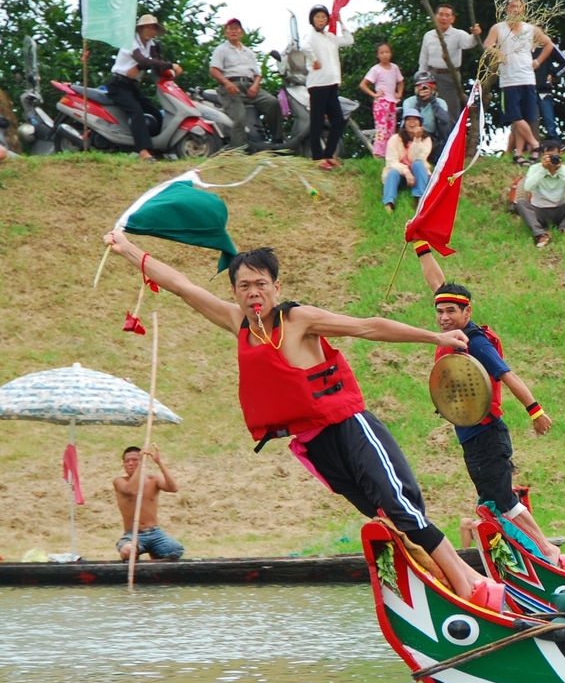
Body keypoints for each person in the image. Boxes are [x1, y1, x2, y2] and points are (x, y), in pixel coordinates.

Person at [101, 231, 502, 608]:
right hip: (312, 443)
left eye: (261, 284)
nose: (253, 293)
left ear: (276, 287)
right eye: (244, 286)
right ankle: (465, 579)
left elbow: (367, 327)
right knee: (383, 515)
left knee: (400, 505)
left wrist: (435, 337)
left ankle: (469, 586)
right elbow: (180, 285)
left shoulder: (298, 319)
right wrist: (127, 249)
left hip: (349, 425)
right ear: (235, 293)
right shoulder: (238, 323)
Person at [419, 256, 561, 564]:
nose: (443, 317)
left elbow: (507, 375)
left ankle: (548, 552)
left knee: (502, 503)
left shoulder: (476, 343)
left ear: (467, 312)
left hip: (486, 435)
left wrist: (535, 411)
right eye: (439, 311)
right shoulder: (451, 330)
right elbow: (436, 283)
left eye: (450, 311)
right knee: (488, 503)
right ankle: (519, 556)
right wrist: (421, 245)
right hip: (471, 438)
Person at [482, 0, 553, 165]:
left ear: (523, 11)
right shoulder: (498, 28)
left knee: (526, 116)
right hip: (509, 79)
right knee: (514, 115)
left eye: (518, 7)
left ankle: (519, 153)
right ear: (506, 10)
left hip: (527, 77)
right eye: (512, 6)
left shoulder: (530, 29)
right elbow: (487, 45)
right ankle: (535, 144)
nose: (515, 10)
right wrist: (497, 52)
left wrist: (537, 61)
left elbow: (548, 44)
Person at [106, 14, 181, 162]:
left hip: (132, 85)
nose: (151, 31)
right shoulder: (130, 42)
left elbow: (155, 60)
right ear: (140, 28)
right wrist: (171, 65)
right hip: (119, 85)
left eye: (153, 28)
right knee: (136, 112)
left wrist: (167, 70)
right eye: (148, 27)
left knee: (156, 113)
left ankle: (158, 149)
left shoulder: (150, 44)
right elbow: (143, 60)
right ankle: (143, 152)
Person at [209, 18, 283, 151]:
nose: (233, 31)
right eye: (230, 28)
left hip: (249, 85)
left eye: (236, 28)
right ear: (226, 32)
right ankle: (237, 152)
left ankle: (278, 142)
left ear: (241, 32)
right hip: (231, 86)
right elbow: (213, 70)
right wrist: (226, 83)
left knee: (273, 103)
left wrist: (255, 86)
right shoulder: (221, 50)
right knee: (239, 117)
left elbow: (257, 74)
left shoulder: (248, 52)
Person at [301, 5, 354, 169]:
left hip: (332, 84)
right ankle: (317, 157)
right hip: (318, 84)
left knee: (338, 120)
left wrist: (340, 22)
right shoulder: (310, 36)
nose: (320, 20)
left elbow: (349, 40)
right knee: (317, 121)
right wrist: (314, 59)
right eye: (317, 17)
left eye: (323, 17)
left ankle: (328, 154)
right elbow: (304, 47)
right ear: (312, 20)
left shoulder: (330, 37)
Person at [113, 444, 184, 561]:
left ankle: (156, 558)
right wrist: (141, 465)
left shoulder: (153, 480)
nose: (131, 463)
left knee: (175, 549)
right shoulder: (119, 481)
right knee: (127, 552)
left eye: (135, 460)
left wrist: (159, 462)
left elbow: (174, 487)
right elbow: (131, 490)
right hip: (133, 534)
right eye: (127, 461)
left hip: (155, 533)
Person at [418, 3, 482, 125]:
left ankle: (452, 140)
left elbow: (468, 43)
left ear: (452, 19)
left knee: (450, 111)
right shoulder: (428, 35)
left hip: (450, 77)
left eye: (447, 15)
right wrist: (421, 80)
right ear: (435, 16)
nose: (444, 18)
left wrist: (475, 34)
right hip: (431, 76)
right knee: (429, 111)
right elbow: (423, 60)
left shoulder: (458, 34)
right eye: (441, 14)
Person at [517, 139, 565, 247]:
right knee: (521, 202)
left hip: (560, 210)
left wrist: (559, 170)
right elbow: (527, 187)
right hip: (539, 211)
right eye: (548, 156)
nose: (551, 159)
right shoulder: (535, 168)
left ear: (560, 154)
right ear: (542, 156)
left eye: (554, 155)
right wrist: (543, 170)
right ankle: (540, 234)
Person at [381, 106, 432, 213]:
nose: (412, 122)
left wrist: (417, 139)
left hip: (418, 173)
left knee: (418, 163)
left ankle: (420, 198)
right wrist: (406, 172)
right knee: (393, 172)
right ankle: (388, 203)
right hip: (401, 174)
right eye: (409, 119)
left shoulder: (426, 139)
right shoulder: (395, 139)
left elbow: (418, 158)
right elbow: (391, 161)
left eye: (415, 119)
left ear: (420, 123)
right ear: (404, 123)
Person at [359, 42, 404, 158]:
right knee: (381, 130)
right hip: (381, 102)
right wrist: (374, 94)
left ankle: (390, 153)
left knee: (391, 129)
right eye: (382, 53)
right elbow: (363, 84)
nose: (385, 55)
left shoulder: (394, 67)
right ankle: (378, 154)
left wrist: (399, 93)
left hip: (392, 102)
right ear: (377, 55)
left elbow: (400, 81)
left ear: (391, 53)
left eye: (387, 52)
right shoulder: (376, 69)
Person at [402, 72, 452, 145]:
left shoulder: (440, 102)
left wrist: (433, 102)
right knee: (409, 121)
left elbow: (445, 120)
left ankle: (444, 147)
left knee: (445, 123)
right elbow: (408, 121)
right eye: (421, 87)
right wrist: (419, 102)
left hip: (433, 136)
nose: (424, 89)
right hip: (413, 136)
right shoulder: (409, 102)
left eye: (428, 86)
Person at [533, 41, 565, 140]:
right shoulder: (523, 47)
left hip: (543, 91)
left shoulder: (547, 46)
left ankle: (555, 148)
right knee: (526, 123)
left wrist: (553, 74)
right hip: (527, 91)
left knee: (550, 124)